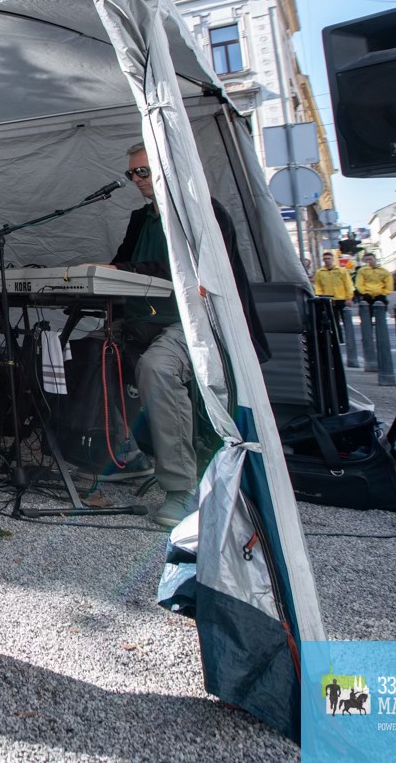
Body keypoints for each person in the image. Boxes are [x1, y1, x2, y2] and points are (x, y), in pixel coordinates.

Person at [105, 144, 269, 529]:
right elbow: (119, 268)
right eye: (132, 174)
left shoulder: (203, 213)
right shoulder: (139, 219)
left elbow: (188, 270)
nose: (137, 180)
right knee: (82, 351)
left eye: (143, 171)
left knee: (157, 367)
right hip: (144, 320)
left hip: (196, 322)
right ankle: (125, 453)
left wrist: (119, 268)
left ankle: (183, 488)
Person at [313, 251, 354, 317]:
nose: (327, 260)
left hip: (341, 298)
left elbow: (348, 284)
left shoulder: (341, 270)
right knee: (333, 320)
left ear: (332, 259)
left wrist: (349, 298)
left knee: (346, 318)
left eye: (329, 258)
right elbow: (318, 285)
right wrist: (319, 296)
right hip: (328, 299)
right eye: (325, 259)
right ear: (323, 260)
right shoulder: (319, 272)